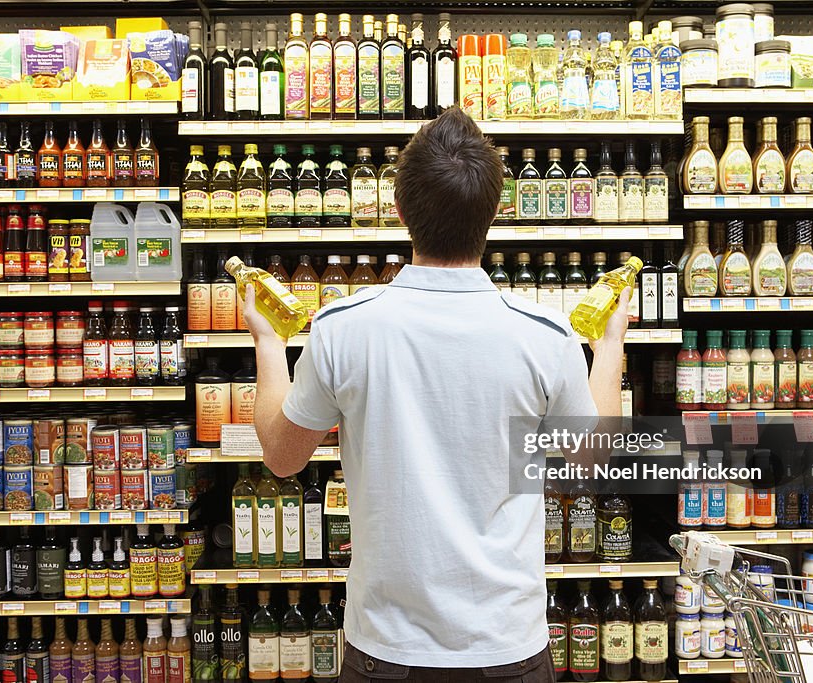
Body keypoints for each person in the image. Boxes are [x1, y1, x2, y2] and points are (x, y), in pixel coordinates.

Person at [242, 106, 628, 681]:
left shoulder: (342, 328)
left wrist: (269, 343)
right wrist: (611, 342)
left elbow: (281, 456)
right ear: (495, 212)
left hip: (385, 652)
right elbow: (596, 456)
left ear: (400, 212)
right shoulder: (545, 336)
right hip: (508, 648)